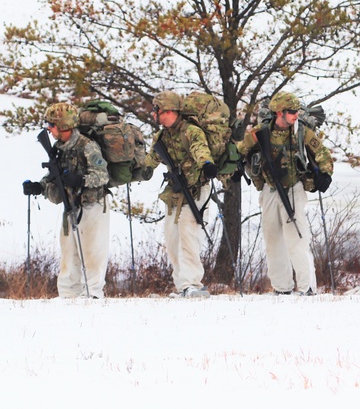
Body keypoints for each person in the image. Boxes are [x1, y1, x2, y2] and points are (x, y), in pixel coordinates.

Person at [237, 91, 333, 295]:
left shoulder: (301, 131)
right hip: (270, 189)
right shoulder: (260, 132)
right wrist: (236, 166)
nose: (295, 115)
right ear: (279, 112)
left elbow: (322, 153)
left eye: (297, 111)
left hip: (293, 188)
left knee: (297, 238)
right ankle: (281, 287)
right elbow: (241, 150)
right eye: (291, 112)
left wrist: (325, 174)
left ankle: (307, 287)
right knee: (273, 239)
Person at [23, 103, 111, 299]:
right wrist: (39, 187)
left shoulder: (87, 146)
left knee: (92, 250)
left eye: (52, 125)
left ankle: (93, 293)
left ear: (63, 126)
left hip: (93, 204)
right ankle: (68, 294)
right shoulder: (59, 148)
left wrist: (81, 180)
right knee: (69, 250)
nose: (49, 129)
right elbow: (53, 174)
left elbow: (102, 176)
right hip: (70, 204)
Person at [141, 91, 214, 298]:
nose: (155, 115)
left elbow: (201, 149)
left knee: (188, 233)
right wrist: (143, 170)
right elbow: (151, 159)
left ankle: (193, 283)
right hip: (175, 191)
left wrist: (207, 164)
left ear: (170, 111)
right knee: (172, 238)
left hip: (197, 189)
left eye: (158, 111)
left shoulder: (191, 131)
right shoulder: (162, 136)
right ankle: (182, 285)